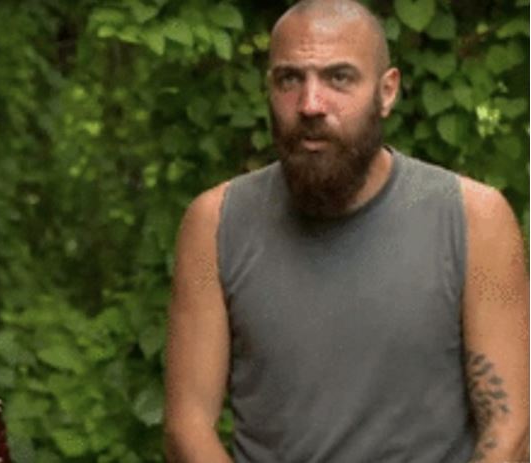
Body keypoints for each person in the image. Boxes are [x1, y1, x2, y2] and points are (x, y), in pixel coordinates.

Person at [163, 0, 529, 462]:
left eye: (339, 78)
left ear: (387, 91)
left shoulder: (474, 219)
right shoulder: (216, 223)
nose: (310, 105)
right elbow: (187, 427)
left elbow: (511, 428)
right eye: (289, 79)